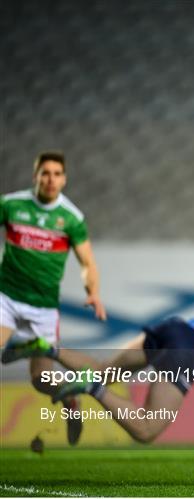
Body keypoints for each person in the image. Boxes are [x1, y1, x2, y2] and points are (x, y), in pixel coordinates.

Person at [7, 315, 194, 450]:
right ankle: (91, 387)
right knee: (146, 429)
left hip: (175, 327)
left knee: (102, 370)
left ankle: (48, 348)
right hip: (190, 349)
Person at [0, 150, 107, 445]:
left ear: (64, 179)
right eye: (45, 173)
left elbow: (87, 263)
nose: (51, 179)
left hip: (43, 308)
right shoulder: (11, 205)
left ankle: (71, 400)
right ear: (35, 176)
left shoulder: (71, 218)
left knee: (41, 380)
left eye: (57, 174)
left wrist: (93, 293)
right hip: (6, 296)